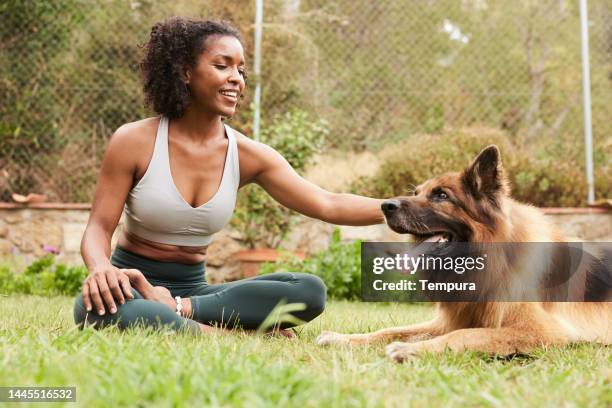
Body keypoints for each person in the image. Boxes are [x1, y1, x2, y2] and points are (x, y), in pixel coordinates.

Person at [73, 17, 385, 336]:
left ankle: (184, 317)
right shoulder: (134, 141)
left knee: (308, 290)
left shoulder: (248, 154)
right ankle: (228, 333)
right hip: (133, 287)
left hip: (198, 297)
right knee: (92, 309)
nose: (236, 79)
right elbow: (99, 226)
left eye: (241, 70)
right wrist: (101, 269)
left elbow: (327, 204)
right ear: (185, 72)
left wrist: (409, 211)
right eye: (223, 66)